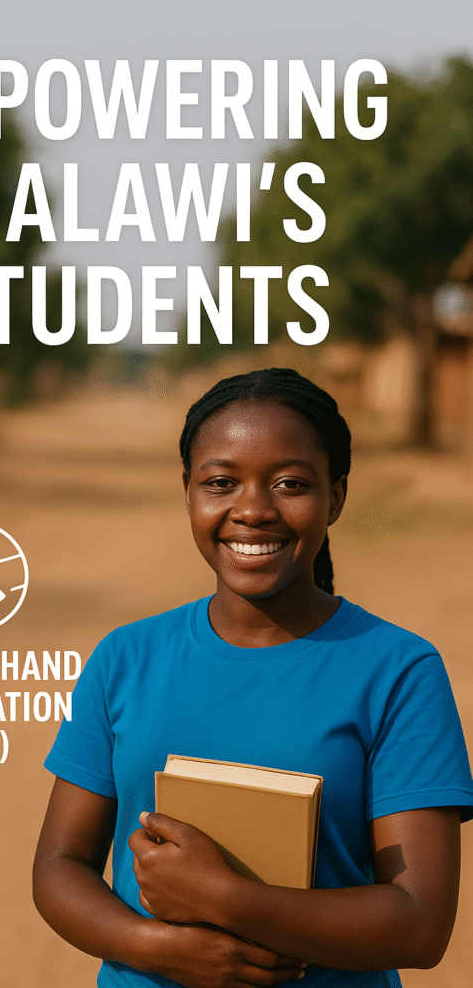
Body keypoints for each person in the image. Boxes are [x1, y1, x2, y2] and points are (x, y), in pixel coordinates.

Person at [33, 368, 473, 988]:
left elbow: (420, 923)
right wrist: (159, 948)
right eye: (221, 482)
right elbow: (59, 866)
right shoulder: (124, 659)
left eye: (291, 483)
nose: (254, 510)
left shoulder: (398, 671)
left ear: (337, 496)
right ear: (188, 491)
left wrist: (222, 897)